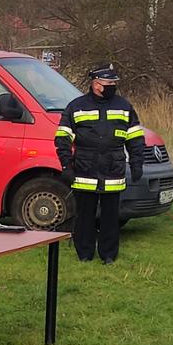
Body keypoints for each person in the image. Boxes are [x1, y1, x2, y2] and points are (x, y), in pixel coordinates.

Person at [56, 63, 147, 265]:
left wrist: (137, 162)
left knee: (110, 218)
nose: (113, 85)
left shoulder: (124, 106)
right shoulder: (76, 106)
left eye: (114, 82)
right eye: (109, 82)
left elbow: (135, 137)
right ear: (96, 84)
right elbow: (62, 138)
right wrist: (66, 165)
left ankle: (108, 255)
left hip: (112, 168)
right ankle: (85, 254)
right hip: (84, 169)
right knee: (85, 216)